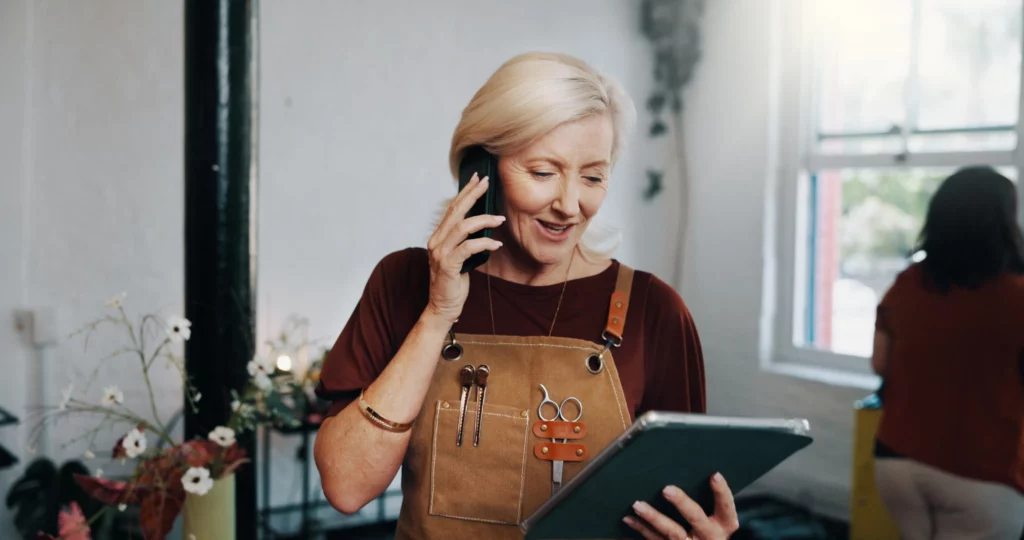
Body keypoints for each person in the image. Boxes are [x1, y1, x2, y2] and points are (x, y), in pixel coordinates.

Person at [313, 52, 739, 540]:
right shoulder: (403, 282)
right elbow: (346, 487)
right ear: (481, 169)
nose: (569, 204)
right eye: (543, 172)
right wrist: (438, 313)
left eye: (593, 176)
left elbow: (681, 506)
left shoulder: (654, 311)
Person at [871, 166, 1024, 539]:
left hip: (897, 460)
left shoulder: (908, 283)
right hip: (983, 470)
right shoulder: (1017, 296)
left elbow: (880, 364)